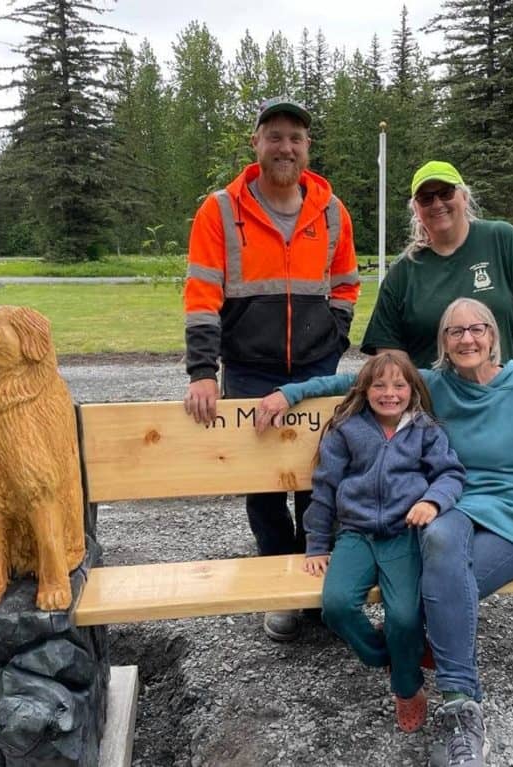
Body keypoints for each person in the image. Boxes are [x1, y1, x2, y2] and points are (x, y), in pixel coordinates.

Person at [256, 298, 513, 766]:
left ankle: (457, 706)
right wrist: (291, 392)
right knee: (441, 545)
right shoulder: (432, 385)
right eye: (455, 332)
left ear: (493, 335)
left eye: (477, 329)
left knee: (440, 587)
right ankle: (454, 698)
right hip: (449, 508)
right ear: (443, 344)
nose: (467, 339)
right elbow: (355, 380)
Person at [183, 95, 361, 642]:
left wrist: (330, 348)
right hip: (250, 372)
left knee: (320, 483)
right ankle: (283, 589)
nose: (286, 146)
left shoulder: (332, 212)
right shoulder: (220, 210)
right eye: (275, 135)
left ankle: (318, 592)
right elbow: (201, 293)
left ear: (307, 147)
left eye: (296, 138)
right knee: (261, 488)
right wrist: (202, 372)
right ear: (255, 142)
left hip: (314, 369)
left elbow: (347, 285)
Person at [304, 351, 465, 733]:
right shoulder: (346, 428)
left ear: (412, 389)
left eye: (398, 385)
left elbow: (451, 474)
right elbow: (325, 487)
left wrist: (432, 501)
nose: (389, 393)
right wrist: (316, 544)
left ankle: (407, 688)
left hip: (403, 535)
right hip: (355, 535)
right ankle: (389, 654)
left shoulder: (425, 429)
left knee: (405, 618)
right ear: (365, 389)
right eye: (379, 385)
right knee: (337, 606)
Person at [361, 160, 513, 387]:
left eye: (446, 193)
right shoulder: (403, 270)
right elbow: (389, 348)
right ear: (416, 209)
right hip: (432, 408)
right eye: (426, 198)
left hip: (497, 398)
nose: (437, 203)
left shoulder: (503, 240)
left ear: (464, 197)